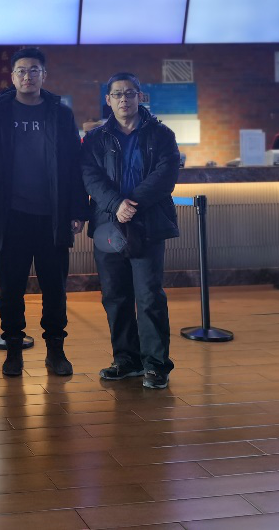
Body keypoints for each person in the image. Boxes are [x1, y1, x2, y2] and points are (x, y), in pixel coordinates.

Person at [0, 47, 89, 377]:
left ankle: (56, 350)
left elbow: (75, 164)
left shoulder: (60, 113)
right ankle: (13, 349)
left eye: (34, 70)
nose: (28, 76)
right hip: (11, 216)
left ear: (44, 75)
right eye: (21, 71)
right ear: (12, 77)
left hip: (53, 217)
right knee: (11, 288)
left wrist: (78, 208)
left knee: (55, 287)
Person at [81, 72, 180, 390]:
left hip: (147, 222)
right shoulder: (95, 138)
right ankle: (126, 360)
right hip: (108, 225)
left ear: (140, 97)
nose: (124, 99)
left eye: (129, 93)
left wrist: (131, 203)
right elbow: (89, 176)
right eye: (117, 94)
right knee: (115, 295)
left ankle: (156, 365)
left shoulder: (161, 134)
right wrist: (116, 204)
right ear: (108, 100)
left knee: (149, 296)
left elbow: (166, 175)